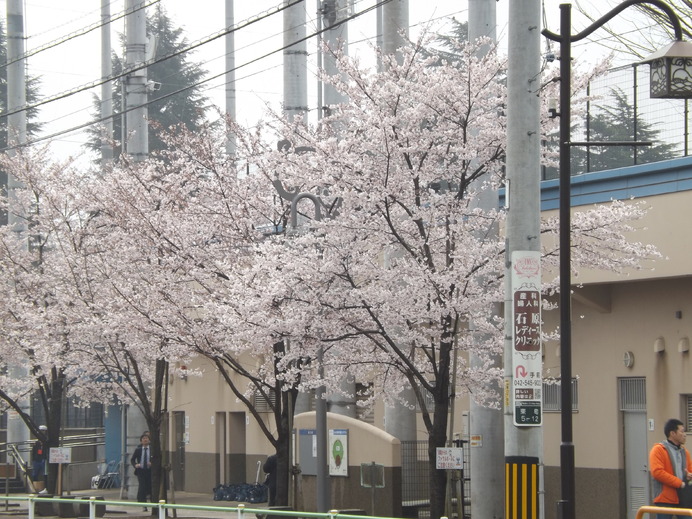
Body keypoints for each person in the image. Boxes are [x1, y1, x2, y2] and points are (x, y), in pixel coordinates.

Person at [650, 418, 692, 519]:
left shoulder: (684, 452)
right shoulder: (658, 450)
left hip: (683, 497)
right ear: (672, 433)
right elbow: (657, 472)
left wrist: (689, 475)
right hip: (664, 498)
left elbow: (690, 469)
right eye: (681, 431)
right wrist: (679, 483)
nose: (684, 434)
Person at [131, 433, 153, 511]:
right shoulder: (138, 450)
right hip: (141, 471)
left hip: (150, 471)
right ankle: (144, 505)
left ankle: (154, 504)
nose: (145, 439)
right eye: (143, 438)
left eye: (146, 438)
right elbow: (132, 459)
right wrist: (136, 465)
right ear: (141, 441)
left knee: (151, 487)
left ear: (149, 440)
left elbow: (157, 459)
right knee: (142, 487)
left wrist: (152, 463)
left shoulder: (152, 449)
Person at [31, 425, 48, 491]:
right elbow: (34, 452)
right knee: (35, 473)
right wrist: (34, 459)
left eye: (43, 430)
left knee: (45, 473)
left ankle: (45, 487)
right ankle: (35, 487)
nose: (42, 432)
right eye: (41, 430)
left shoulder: (46, 441)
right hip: (37, 459)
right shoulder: (37, 443)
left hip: (43, 459)